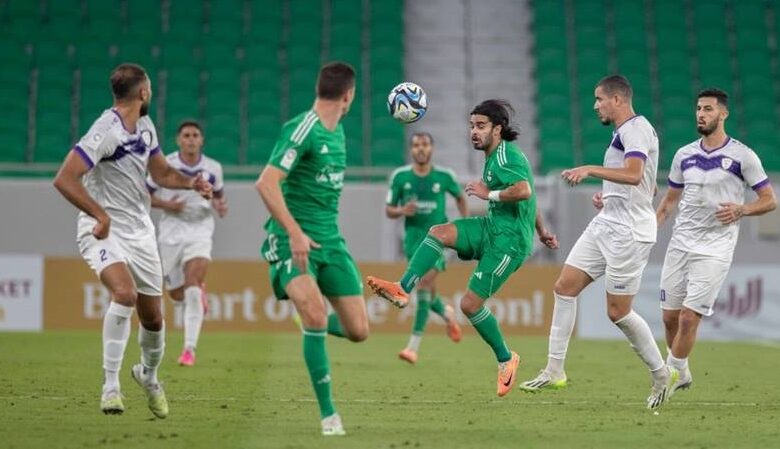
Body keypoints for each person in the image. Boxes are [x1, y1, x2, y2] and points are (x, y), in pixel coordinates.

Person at [367, 99, 559, 397]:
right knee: (438, 232)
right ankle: (402, 289)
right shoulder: (494, 155)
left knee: (469, 305)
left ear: (498, 128)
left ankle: (507, 359)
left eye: (480, 126)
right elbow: (527, 196)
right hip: (491, 228)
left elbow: (524, 191)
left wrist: (488, 193)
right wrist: (543, 231)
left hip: (509, 243)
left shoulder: (508, 156)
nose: (474, 132)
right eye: (471, 126)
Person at [52, 63, 212, 418]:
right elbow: (64, 178)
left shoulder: (146, 127)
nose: (151, 93)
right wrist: (101, 214)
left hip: (141, 233)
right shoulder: (106, 130)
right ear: (142, 92)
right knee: (123, 294)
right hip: (103, 230)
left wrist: (192, 183)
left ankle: (148, 376)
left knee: (154, 319)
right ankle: (111, 386)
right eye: (150, 88)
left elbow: (162, 173)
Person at [519, 75, 675, 410]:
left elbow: (635, 175)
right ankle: (554, 370)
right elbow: (648, 188)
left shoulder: (635, 129)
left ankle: (661, 372)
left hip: (630, 234)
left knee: (618, 312)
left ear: (617, 99)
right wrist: (611, 197)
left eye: (599, 99)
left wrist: (590, 170)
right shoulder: (624, 133)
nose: (595, 105)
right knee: (564, 287)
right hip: (608, 223)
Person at [256, 62, 368, 436]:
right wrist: (294, 233)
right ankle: (329, 416)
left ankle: (306, 321)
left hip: (330, 242)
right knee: (317, 316)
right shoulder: (302, 128)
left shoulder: (339, 134)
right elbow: (266, 184)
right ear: (348, 95)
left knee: (359, 331)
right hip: (293, 242)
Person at [655, 88, 776, 392]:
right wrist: (650, 228)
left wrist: (742, 209)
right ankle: (681, 372)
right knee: (669, 318)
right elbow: (669, 201)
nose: (701, 114)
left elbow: (769, 200)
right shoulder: (684, 154)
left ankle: (667, 377)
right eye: (698, 108)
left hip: (715, 247)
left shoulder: (743, 156)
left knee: (687, 316)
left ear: (723, 114)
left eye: (708, 109)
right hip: (680, 243)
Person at [147, 120, 228, 367]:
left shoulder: (213, 168)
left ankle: (189, 349)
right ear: (178, 140)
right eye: (186, 135)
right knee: (175, 293)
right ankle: (193, 297)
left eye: (195, 135)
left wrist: (219, 205)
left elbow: (219, 196)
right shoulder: (165, 164)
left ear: (201, 140)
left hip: (200, 230)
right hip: (171, 232)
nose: (191, 139)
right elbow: (145, 196)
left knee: (193, 284)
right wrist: (167, 205)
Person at [385, 131, 468, 364]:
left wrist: (463, 225)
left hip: (439, 241)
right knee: (428, 293)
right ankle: (446, 313)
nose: (421, 149)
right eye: (416, 145)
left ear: (432, 149)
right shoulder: (400, 177)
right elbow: (389, 210)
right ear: (411, 150)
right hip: (412, 242)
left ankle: (412, 347)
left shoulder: (444, 176)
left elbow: (460, 198)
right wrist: (402, 211)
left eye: (425, 145)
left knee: (422, 284)